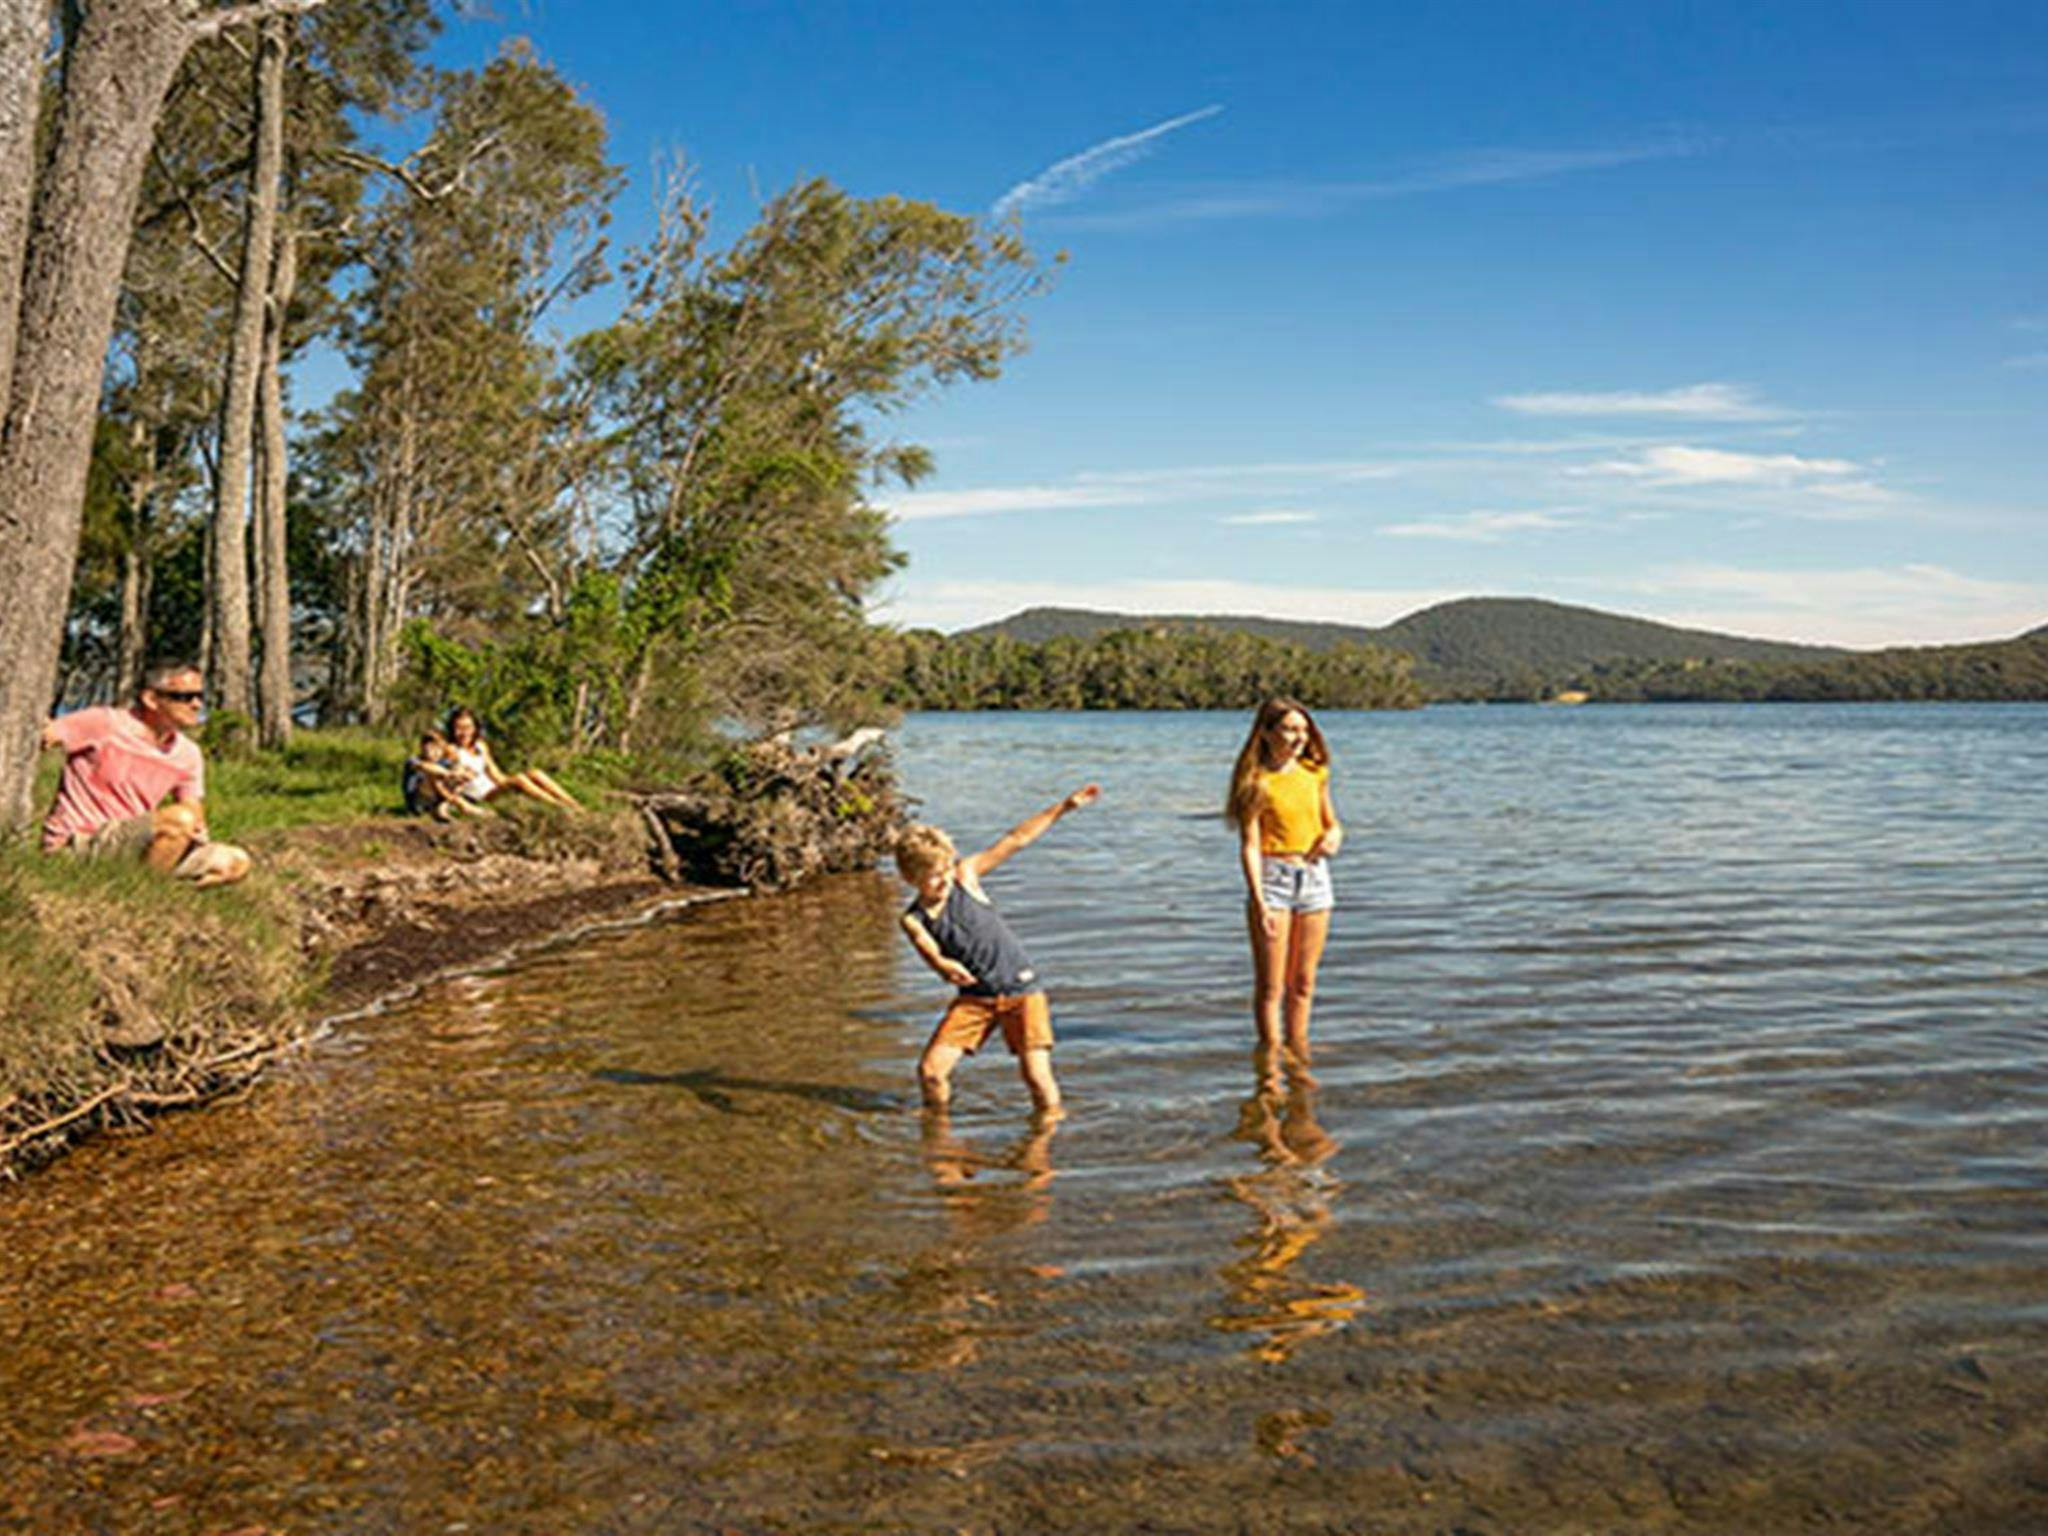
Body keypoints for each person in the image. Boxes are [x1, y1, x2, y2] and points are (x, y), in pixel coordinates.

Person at [895, 784, 1101, 1119]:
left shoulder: (965, 878)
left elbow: (1015, 839)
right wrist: (944, 967)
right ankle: (938, 1130)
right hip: (975, 998)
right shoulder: (913, 919)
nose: (944, 880)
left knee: (1036, 1076)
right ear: (910, 878)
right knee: (931, 1072)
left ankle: (1045, 1139)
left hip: (1022, 990)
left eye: (945, 869)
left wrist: (1063, 807)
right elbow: (929, 951)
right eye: (933, 877)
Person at [39, 661, 252, 888]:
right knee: (179, 820)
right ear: (151, 699)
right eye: (184, 697)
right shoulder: (103, 723)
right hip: (81, 841)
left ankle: (143, 885)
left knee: (236, 862)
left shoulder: (188, 754)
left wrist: (194, 840)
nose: (196, 704)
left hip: (138, 842)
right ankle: (144, 891)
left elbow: (194, 812)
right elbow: (45, 735)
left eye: (199, 696)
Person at [1227, 698, 1343, 1078]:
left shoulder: (1315, 772)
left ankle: (1299, 1053)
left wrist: (1334, 837)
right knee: (1271, 986)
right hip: (1273, 879)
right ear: (1266, 733)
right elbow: (1249, 845)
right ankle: (1271, 1068)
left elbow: (1332, 823)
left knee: (1304, 981)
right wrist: (1259, 901)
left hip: (1314, 877)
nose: (1298, 738)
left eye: (1304, 730)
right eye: (1290, 729)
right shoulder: (1256, 780)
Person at [443, 707, 581, 811]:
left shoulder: (481, 746)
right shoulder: (452, 750)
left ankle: (574, 804)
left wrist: (510, 782)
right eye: (458, 728)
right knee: (519, 779)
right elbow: (451, 775)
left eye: (467, 727)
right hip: (480, 795)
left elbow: (494, 773)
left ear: (474, 728)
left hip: (493, 788)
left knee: (535, 773)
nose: (463, 733)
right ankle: (559, 808)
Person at [403, 729, 492, 821]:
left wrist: (462, 772)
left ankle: (442, 808)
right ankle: (464, 806)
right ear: (422, 747)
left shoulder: (443, 762)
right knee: (435, 775)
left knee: (459, 774)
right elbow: (425, 767)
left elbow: (467, 771)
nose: (433, 752)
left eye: (437, 748)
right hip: (419, 801)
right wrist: (450, 774)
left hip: (438, 799)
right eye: (430, 748)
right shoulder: (414, 760)